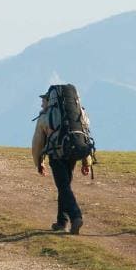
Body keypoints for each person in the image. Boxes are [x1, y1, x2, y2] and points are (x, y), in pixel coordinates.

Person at [31, 87, 92, 235]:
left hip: (56, 155)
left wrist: (39, 163)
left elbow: (37, 143)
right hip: (73, 153)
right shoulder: (78, 113)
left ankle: (75, 216)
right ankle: (61, 222)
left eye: (43, 100)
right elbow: (84, 136)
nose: (41, 104)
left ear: (50, 100)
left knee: (63, 187)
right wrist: (86, 161)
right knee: (64, 186)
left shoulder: (46, 116)